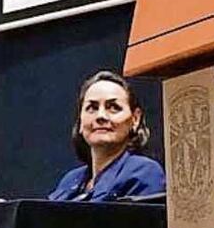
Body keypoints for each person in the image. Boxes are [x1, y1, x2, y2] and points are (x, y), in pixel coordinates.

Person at [48, 71, 165, 202]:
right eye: (92, 107)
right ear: (80, 121)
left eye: (113, 107)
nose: (100, 116)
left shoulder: (144, 172)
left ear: (135, 119)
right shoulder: (70, 181)